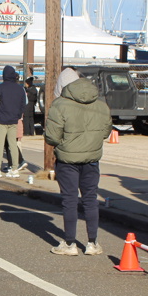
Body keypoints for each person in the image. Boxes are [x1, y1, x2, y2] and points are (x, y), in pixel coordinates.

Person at [44, 68, 113, 255]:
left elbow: (52, 137)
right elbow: (106, 132)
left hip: (67, 159)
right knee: (90, 199)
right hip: (91, 158)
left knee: (70, 200)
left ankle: (70, 243)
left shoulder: (60, 105)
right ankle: (92, 243)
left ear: (62, 86)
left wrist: (63, 143)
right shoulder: (101, 105)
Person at [0, 65, 27, 177]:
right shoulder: (20, 89)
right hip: (13, 120)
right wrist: (17, 115)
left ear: (4, 75)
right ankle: (14, 169)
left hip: (0, 120)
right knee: (13, 145)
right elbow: (23, 104)